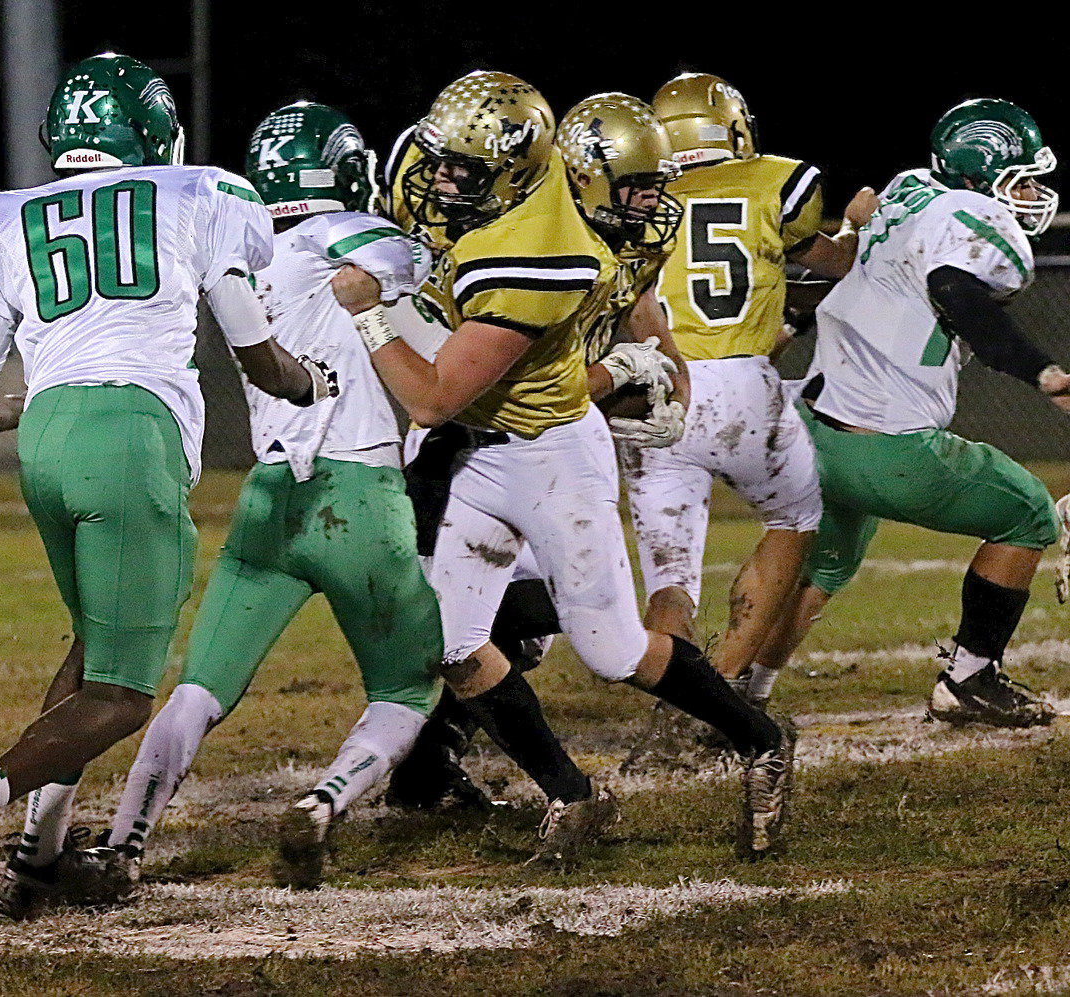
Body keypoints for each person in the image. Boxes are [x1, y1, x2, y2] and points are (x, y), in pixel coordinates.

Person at [0, 54, 332, 936]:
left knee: (93, 650)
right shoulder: (201, 197)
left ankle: (38, 859)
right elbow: (256, 353)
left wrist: (37, 399)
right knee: (124, 693)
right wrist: (309, 379)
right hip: (133, 437)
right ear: (154, 132)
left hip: (42, 441)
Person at [336, 73, 793, 861]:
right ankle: (572, 796)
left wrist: (370, 312)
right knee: (450, 643)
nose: (438, 179)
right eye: (444, 163)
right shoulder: (480, 180)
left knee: (614, 651)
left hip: (547, 451)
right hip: (487, 442)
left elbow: (431, 398)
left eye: (462, 172)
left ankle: (763, 741)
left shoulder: (547, 256)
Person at [58, 102, 443, 901]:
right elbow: (431, 286)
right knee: (407, 687)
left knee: (199, 688)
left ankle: (125, 845)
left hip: (270, 492)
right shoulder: (360, 234)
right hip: (361, 491)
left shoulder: (242, 246)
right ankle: (323, 801)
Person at [753, 98, 1066, 728]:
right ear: (981, 178)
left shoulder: (909, 191)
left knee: (830, 563)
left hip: (814, 424)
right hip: (883, 442)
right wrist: (1042, 371)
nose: (1034, 194)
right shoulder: (972, 219)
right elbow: (957, 290)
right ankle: (971, 678)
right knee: (1028, 511)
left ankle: (744, 694)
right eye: (1021, 180)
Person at [627, 73, 877, 706]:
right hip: (740, 384)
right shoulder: (775, 181)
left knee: (669, 571)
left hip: (653, 388)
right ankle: (730, 681)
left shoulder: (636, 193)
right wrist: (856, 227)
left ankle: (677, 703)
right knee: (795, 516)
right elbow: (836, 260)